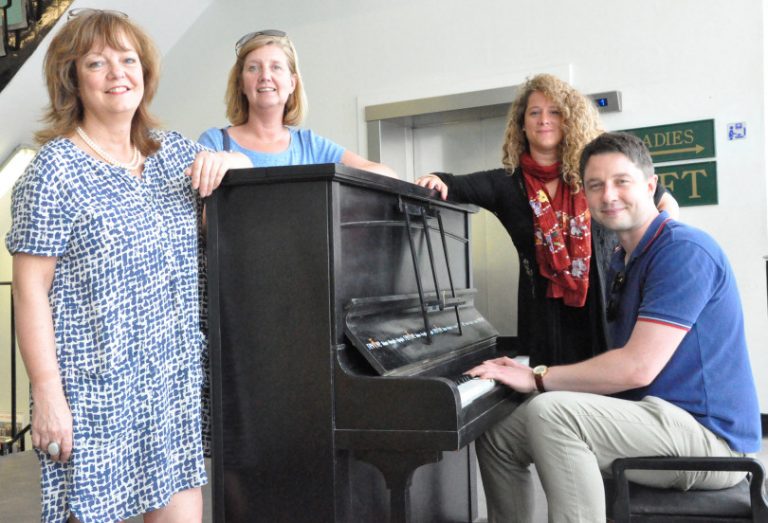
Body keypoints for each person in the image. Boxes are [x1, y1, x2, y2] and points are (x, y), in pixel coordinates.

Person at [6, 9, 250, 523]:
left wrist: (235, 162)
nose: (117, 73)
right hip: (94, 392)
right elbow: (28, 290)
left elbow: (239, 197)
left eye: (128, 60)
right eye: (97, 63)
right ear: (72, 79)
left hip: (170, 385)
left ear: (145, 72)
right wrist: (47, 394)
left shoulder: (174, 155)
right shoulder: (54, 170)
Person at [467, 131, 761, 522]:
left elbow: (637, 368)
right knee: (499, 433)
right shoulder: (624, 257)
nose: (608, 195)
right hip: (651, 415)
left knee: (553, 413)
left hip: (710, 439)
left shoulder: (684, 251)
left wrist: (537, 377)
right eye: (595, 185)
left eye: (622, 181)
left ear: (650, 186)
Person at [415, 73, 677, 366]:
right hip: (544, 322)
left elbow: (664, 201)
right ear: (522, 124)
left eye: (554, 112)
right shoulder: (506, 184)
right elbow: (449, 183)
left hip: (605, 314)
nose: (544, 120)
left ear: (568, 120)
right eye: (534, 113)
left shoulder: (593, 176)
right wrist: (432, 179)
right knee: (546, 390)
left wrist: (656, 260)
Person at [198, 29, 396, 176]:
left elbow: (386, 175)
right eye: (253, 68)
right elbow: (199, 213)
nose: (265, 76)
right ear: (241, 83)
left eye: (276, 67)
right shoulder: (215, 142)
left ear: (292, 83)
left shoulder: (310, 145)